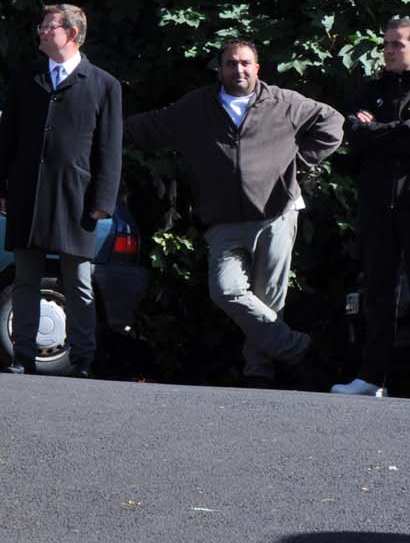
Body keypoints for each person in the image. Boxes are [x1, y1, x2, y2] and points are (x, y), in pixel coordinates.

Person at [127, 41, 342, 386]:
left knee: (269, 296)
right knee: (225, 290)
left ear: (258, 68)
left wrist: (298, 165)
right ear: (219, 69)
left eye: (245, 64)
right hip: (223, 220)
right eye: (230, 64)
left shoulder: (283, 103)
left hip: (276, 214)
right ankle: (298, 349)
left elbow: (332, 123)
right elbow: (148, 127)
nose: (238, 70)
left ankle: (259, 373)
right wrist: (100, 126)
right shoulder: (197, 106)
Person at [0, 5, 123, 377]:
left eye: (49, 26)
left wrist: (103, 202)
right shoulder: (26, 78)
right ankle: (22, 356)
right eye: (42, 25)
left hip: (75, 199)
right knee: (25, 278)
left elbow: (109, 149)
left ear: (72, 34)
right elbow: (8, 139)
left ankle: (82, 359)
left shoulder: (103, 84)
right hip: (28, 195)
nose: (41, 31)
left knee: (78, 283)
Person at [332, 16, 410, 397]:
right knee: (378, 290)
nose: (390, 51)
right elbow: (355, 135)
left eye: (398, 44)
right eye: (387, 45)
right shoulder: (372, 88)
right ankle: (372, 377)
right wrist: (392, 130)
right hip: (378, 204)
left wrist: (376, 130)